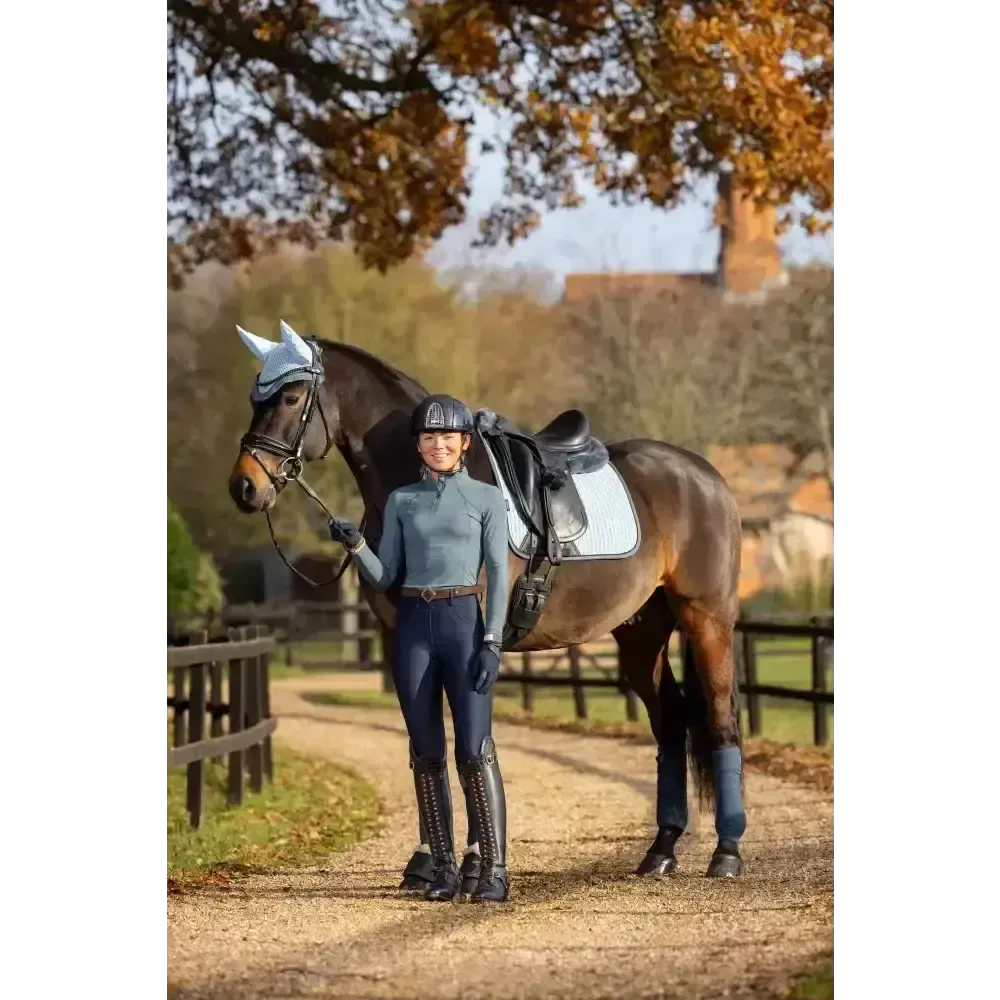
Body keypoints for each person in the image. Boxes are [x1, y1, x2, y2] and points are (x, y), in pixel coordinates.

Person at [327, 394, 511, 903]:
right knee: (426, 753)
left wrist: (492, 640)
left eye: (446, 437)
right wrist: (355, 546)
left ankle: (495, 866)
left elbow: (498, 573)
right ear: (419, 446)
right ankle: (444, 868)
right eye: (428, 438)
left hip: (464, 624)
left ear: (464, 443)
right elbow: (387, 575)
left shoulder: (487, 499)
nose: (437, 445)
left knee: (475, 750)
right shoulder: (402, 501)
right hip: (413, 625)